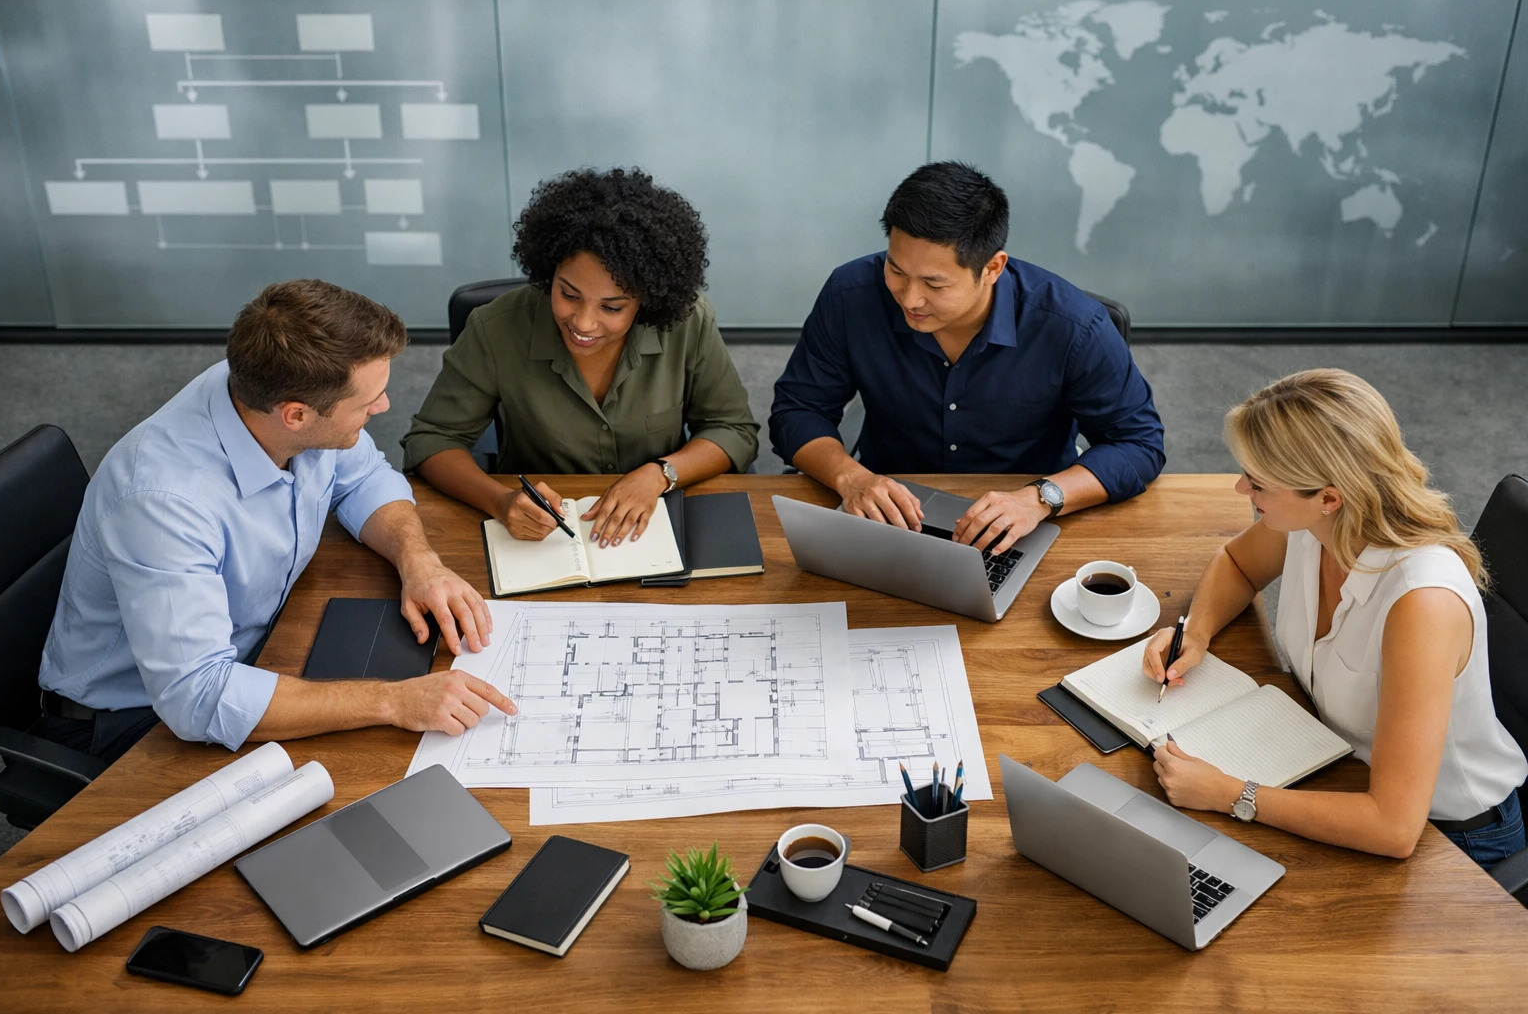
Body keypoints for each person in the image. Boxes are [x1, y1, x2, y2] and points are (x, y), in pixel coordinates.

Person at [37, 280, 518, 765]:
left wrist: (419, 563)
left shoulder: (266, 388)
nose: (384, 407)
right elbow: (198, 697)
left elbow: (365, 477)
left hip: (256, 646)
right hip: (134, 720)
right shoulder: (165, 503)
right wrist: (393, 700)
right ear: (296, 416)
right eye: (368, 401)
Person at [1144, 369, 1526, 867]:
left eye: (1257, 482)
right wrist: (1195, 633)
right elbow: (1237, 563)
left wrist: (1230, 793)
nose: (1241, 489)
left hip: (1450, 840)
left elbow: (1393, 827)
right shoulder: (1315, 522)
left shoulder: (1420, 602)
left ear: (1328, 496)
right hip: (1338, 766)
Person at [769, 160, 1164, 554]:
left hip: (1025, 520)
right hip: (890, 513)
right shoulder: (850, 294)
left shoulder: (1073, 326)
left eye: (934, 283)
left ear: (992, 268)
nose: (909, 298)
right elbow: (798, 409)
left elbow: (1139, 443)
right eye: (896, 270)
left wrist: (1041, 498)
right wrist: (850, 477)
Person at [402, 167, 759, 549]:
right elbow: (433, 439)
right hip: (536, 537)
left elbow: (732, 429)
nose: (584, 322)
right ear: (549, 271)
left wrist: (660, 474)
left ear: (648, 299)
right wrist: (501, 500)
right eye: (569, 294)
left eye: (612, 307)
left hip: (655, 523)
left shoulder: (688, 323)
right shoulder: (495, 328)